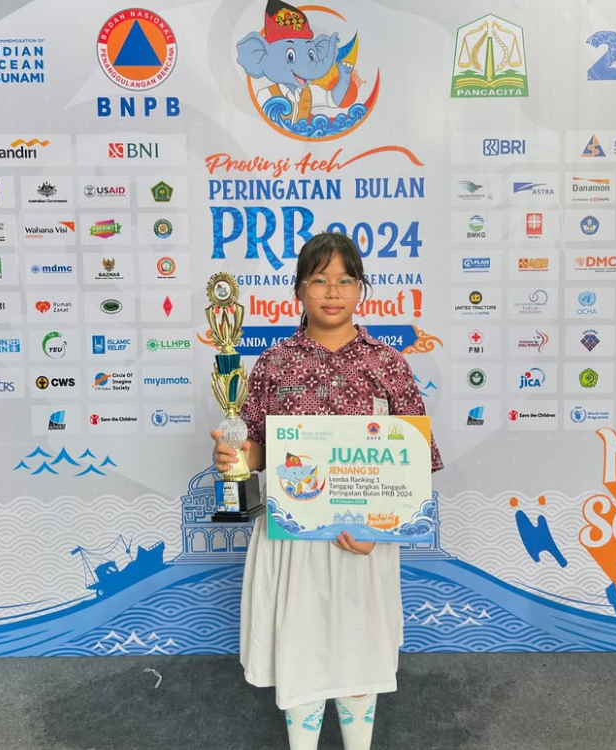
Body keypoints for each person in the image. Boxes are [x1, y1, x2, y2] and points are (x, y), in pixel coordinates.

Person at [212, 232, 443, 750]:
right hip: (293, 538)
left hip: (364, 539)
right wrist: (236, 457)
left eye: (344, 280)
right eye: (319, 280)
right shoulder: (273, 364)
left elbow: (415, 461)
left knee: (360, 653)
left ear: (361, 289)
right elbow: (257, 448)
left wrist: (380, 527)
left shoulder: (388, 364)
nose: (332, 292)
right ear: (299, 289)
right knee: (301, 651)